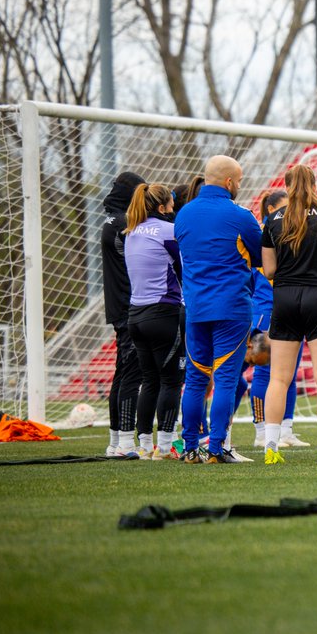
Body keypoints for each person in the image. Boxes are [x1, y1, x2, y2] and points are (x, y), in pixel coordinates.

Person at [260, 164, 317, 465]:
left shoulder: (273, 219)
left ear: (287, 186)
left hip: (285, 298)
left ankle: (271, 448)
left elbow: (269, 270)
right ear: (314, 185)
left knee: (278, 378)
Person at [174, 155, 261, 464]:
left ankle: (189, 448)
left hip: (196, 308)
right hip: (232, 308)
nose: (239, 186)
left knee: (196, 380)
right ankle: (216, 448)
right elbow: (260, 257)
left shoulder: (183, 214)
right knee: (225, 380)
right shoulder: (241, 215)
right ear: (229, 182)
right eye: (239, 181)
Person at [123, 183, 184, 460]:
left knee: (149, 381)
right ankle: (165, 446)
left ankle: (145, 445)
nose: (174, 209)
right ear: (162, 207)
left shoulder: (131, 231)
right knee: (171, 380)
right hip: (163, 313)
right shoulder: (168, 230)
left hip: (135, 314)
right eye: (171, 205)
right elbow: (183, 268)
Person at [248, 190, 309, 450]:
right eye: (284, 207)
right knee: (265, 371)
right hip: (266, 311)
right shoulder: (263, 233)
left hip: (290, 307)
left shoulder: (291, 231)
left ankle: (286, 430)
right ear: (271, 209)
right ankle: (261, 430)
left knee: (289, 373)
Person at [100, 171, 146, 457]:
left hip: (119, 306)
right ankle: (125, 443)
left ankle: (116, 440)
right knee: (131, 374)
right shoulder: (124, 224)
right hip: (131, 306)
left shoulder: (111, 221)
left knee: (122, 373)